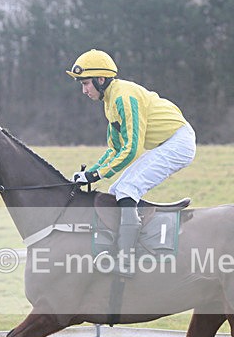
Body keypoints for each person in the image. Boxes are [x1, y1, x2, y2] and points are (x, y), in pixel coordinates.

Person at [67, 49, 196, 276]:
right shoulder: (109, 102)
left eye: (86, 83)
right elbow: (115, 149)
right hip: (167, 143)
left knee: (127, 188)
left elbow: (131, 149)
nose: (83, 90)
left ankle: (125, 261)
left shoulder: (123, 97)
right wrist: (91, 172)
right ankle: (130, 245)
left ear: (100, 79)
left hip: (179, 142)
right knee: (117, 189)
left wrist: (96, 175)